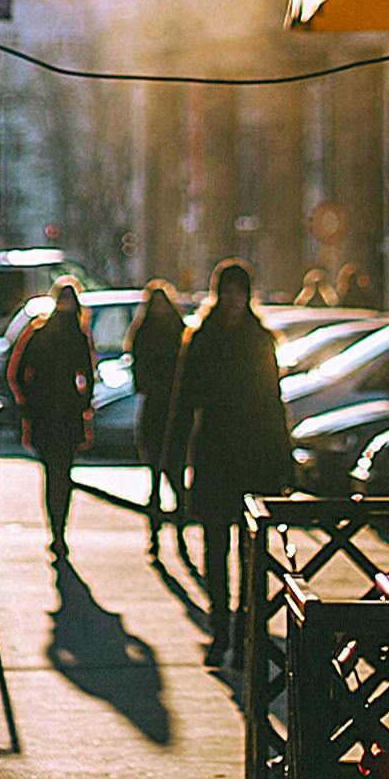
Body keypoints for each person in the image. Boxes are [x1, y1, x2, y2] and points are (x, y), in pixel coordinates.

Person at [164, 260, 292, 667]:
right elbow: (184, 402)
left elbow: (273, 403)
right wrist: (172, 458)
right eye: (229, 291)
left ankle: (245, 636)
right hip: (216, 456)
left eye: (240, 291)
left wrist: (282, 463)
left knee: (250, 555)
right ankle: (222, 630)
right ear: (219, 295)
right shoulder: (202, 339)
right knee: (216, 548)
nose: (235, 299)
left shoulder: (259, 341)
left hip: (251, 459)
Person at [8, 279, 95, 561]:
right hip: (67, 412)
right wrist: (83, 402)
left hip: (46, 413)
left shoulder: (40, 332)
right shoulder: (77, 335)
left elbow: (18, 372)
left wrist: (29, 400)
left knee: (52, 474)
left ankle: (56, 531)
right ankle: (60, 531)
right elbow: (88, 375)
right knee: (63, 474)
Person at [127, 280, 187, 558]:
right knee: (163, 477)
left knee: (166, 476)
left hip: (165, 410)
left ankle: (169, 532)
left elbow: (139, 372)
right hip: (165, 410)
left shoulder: (148, 331)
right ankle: (169, 533)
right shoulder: (174, 330)